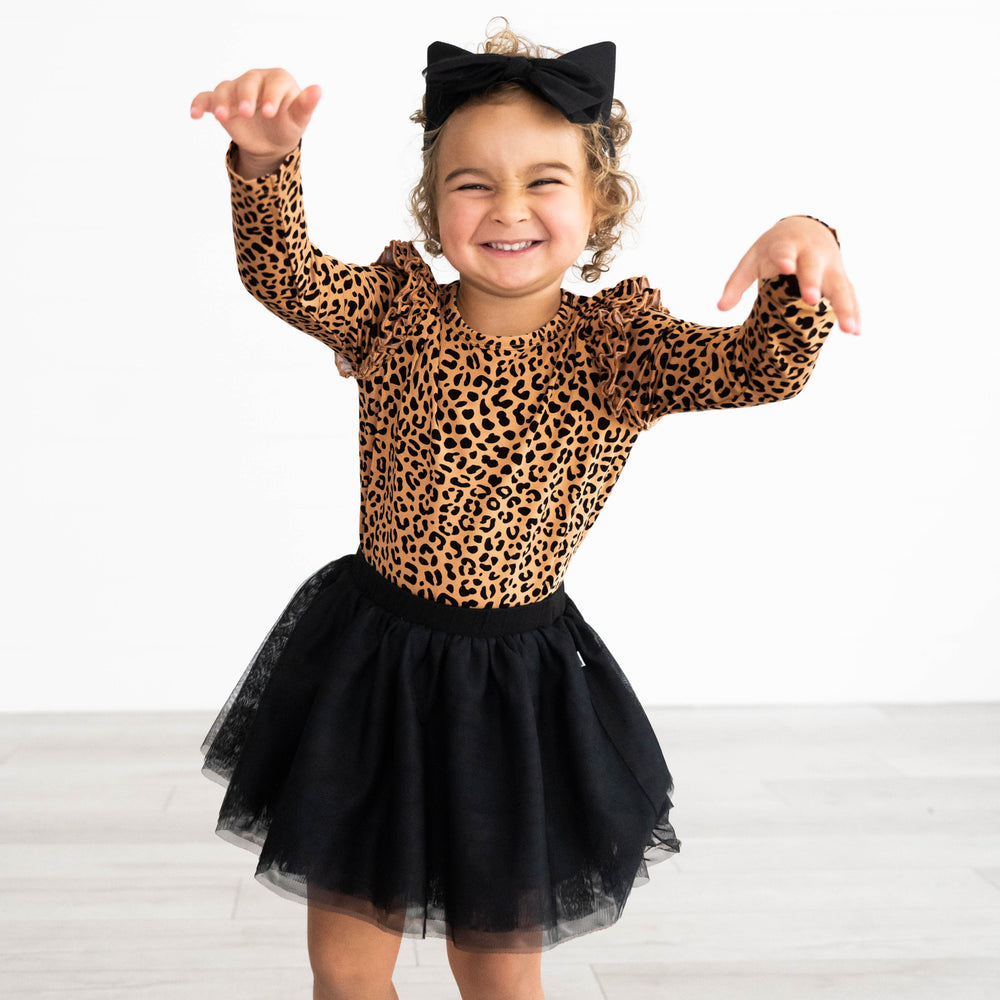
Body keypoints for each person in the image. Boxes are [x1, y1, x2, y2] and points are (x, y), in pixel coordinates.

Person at [191, 20, 859, 1000]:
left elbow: (756, 366)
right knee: (342, 967)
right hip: (368, 665)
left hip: (509, 691)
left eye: (544, 179)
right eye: (473, 182)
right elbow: (281, 271)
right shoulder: (392, 311)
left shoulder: (615, 350)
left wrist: (808, 246)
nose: (508, 206)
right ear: (433, 201)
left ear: (599, 201)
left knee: (499, 970)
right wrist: (265, 160)